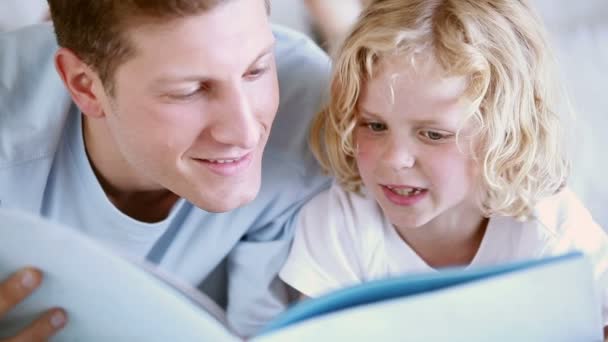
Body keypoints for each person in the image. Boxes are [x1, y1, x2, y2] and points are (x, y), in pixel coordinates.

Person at [0, 0, 330, 339]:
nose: (245, 132)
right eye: (189, 91)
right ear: (85, 85)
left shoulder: (316, 112)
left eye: (256, 70)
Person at [279, 0, 608, 338]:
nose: (395, 159)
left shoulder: (553, 232)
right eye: (374, 126)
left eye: (433, 134)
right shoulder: (340, 224)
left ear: (504, 133)